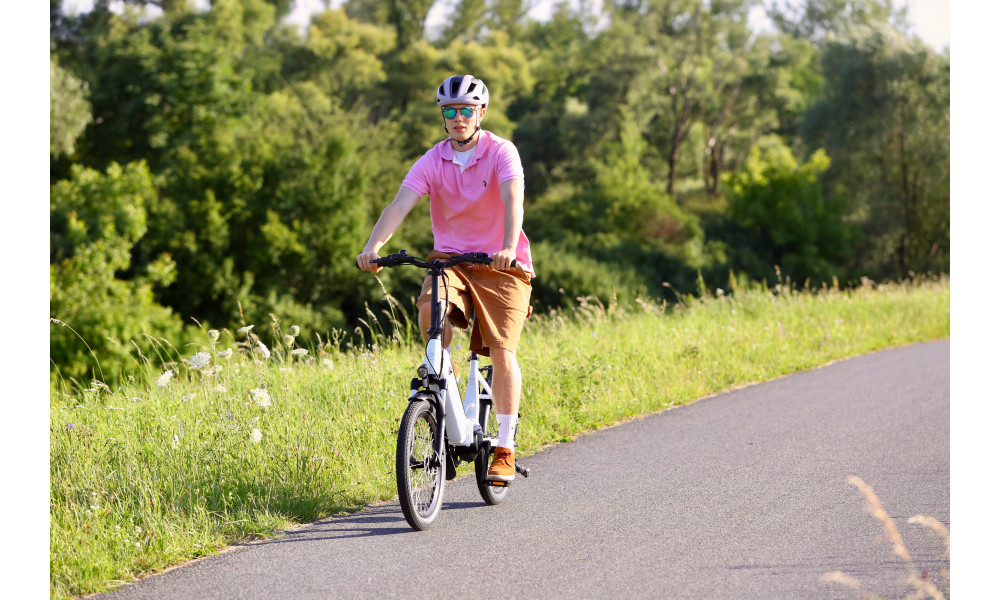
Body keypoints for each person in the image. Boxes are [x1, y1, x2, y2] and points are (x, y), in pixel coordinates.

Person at [357, 74, 533, 483]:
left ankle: (504, 447)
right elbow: (399, 205)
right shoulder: (431, 160)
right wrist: (373, 247)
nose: (458, 117)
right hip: (450, 260)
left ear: (480, 113)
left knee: (503, 350)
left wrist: (508, 246)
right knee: (429, 316)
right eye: (450, 111)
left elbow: (513, 200)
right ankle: (447, 387)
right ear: (443, 116)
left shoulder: (501, 152)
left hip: (500, 262)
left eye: (466, 110)